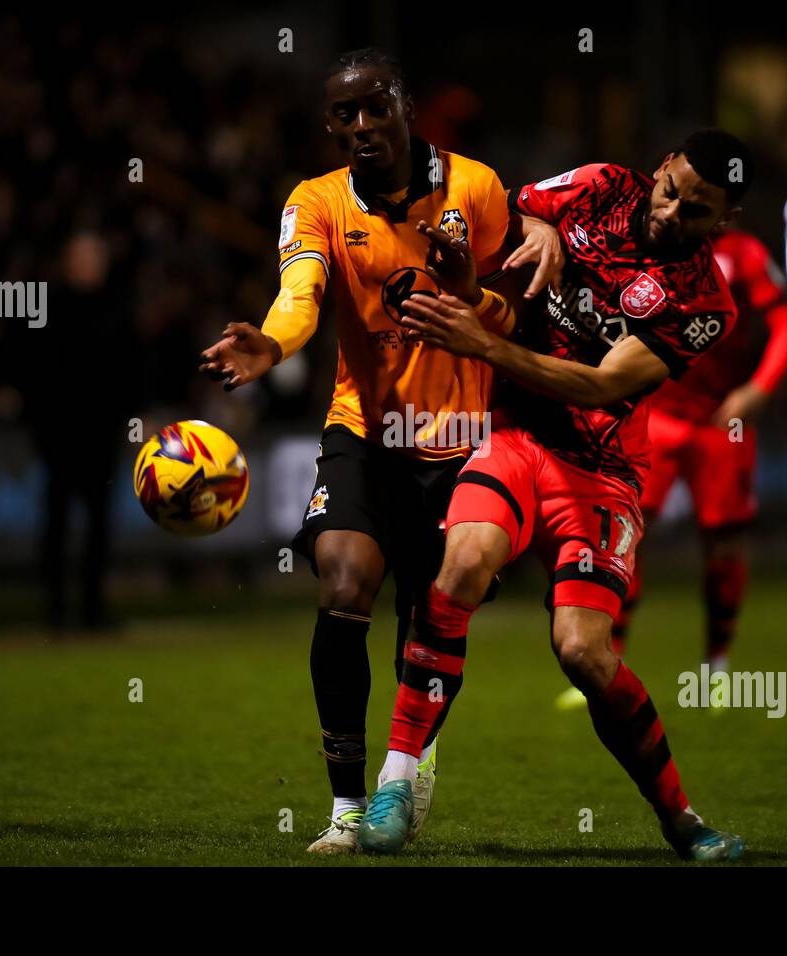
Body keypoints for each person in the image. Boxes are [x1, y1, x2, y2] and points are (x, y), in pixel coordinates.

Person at [360, 131, 754, 861]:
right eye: (673, 191)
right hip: (515, 437)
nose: (672, 213)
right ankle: (394, 783)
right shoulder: (602, 184)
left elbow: (606, 383)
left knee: (582, 653)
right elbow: (503, 208)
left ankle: (681, 820)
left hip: (601, 470)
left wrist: (486, 348)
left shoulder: (706, 303)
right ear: (662, 165)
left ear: (721, 224)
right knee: (461, 567)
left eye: (697, 212)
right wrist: (537, 224)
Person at [199, 49, 553, 854]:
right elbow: (300, 297)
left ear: (405, 105)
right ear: (330, 126)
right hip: (363, 430)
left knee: (432, 617)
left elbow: (515, 322)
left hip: (464, 444)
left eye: (373, 107)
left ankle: (412, 753)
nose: (360, 126)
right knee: (346, 580)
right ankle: (346, 807)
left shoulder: (478, 189)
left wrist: (469, 296)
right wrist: (273, 347)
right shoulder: (317, 202)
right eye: (343, 115)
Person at [556, 227, 787, 709]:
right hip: (656, 415)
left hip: (720, 422)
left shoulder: (746, 253)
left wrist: (759, 389)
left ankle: (718, 667)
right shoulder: (651, 246)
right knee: (625, 537)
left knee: (724, 543)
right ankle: (604, 664)